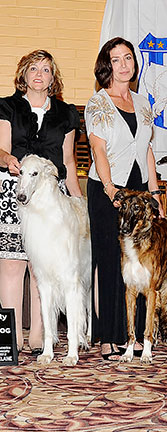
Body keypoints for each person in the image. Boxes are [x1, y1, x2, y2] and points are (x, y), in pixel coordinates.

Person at [85, 37, 163, 361]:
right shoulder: (97, 103)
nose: (124, 64)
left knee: (139, 264)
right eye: (116, 59)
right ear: (107, 66)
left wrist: (156, 194)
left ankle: (137, 336)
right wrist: (110, 189)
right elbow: (98, 149)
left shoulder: (144, 103)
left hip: (138, 193)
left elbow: (146, 150)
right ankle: (108, 337)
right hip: (107, 190)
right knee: (109, 261)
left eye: (128, 57)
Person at [0, 49, 82, 354]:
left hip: (52, 199)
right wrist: (8, 159)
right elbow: (1, 149)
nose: (39, 74)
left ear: (53, 78)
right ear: (23, 75)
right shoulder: (7, 107)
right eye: (33, 68)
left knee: (43, 268)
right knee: (11, 266)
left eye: (46, 70)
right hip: (13, 189)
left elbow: (69, 163)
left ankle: (40, 335)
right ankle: (11, 337)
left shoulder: (66, 114)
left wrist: (78, 201)